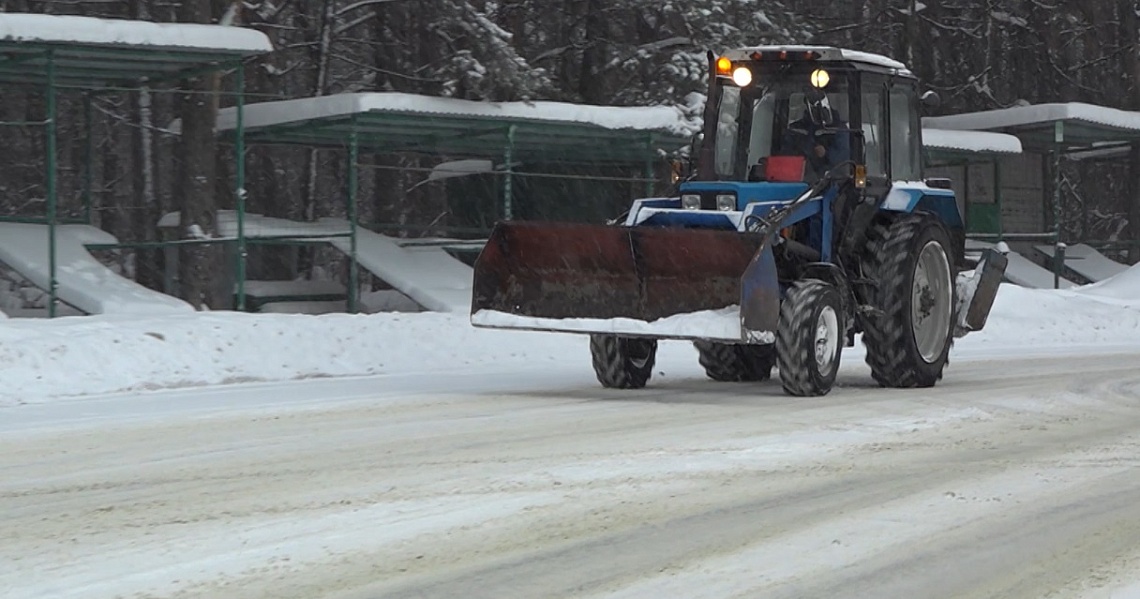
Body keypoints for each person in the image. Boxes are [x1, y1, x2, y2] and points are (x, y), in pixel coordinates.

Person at [779, 90, 851, 180]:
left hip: (834, 183)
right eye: (811, 101)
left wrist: (826, 153)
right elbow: (784, 155)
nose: (816, 107)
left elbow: (845, 157)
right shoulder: (796, 129)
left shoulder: (839, 129)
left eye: (819, 102)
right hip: (797, 184)